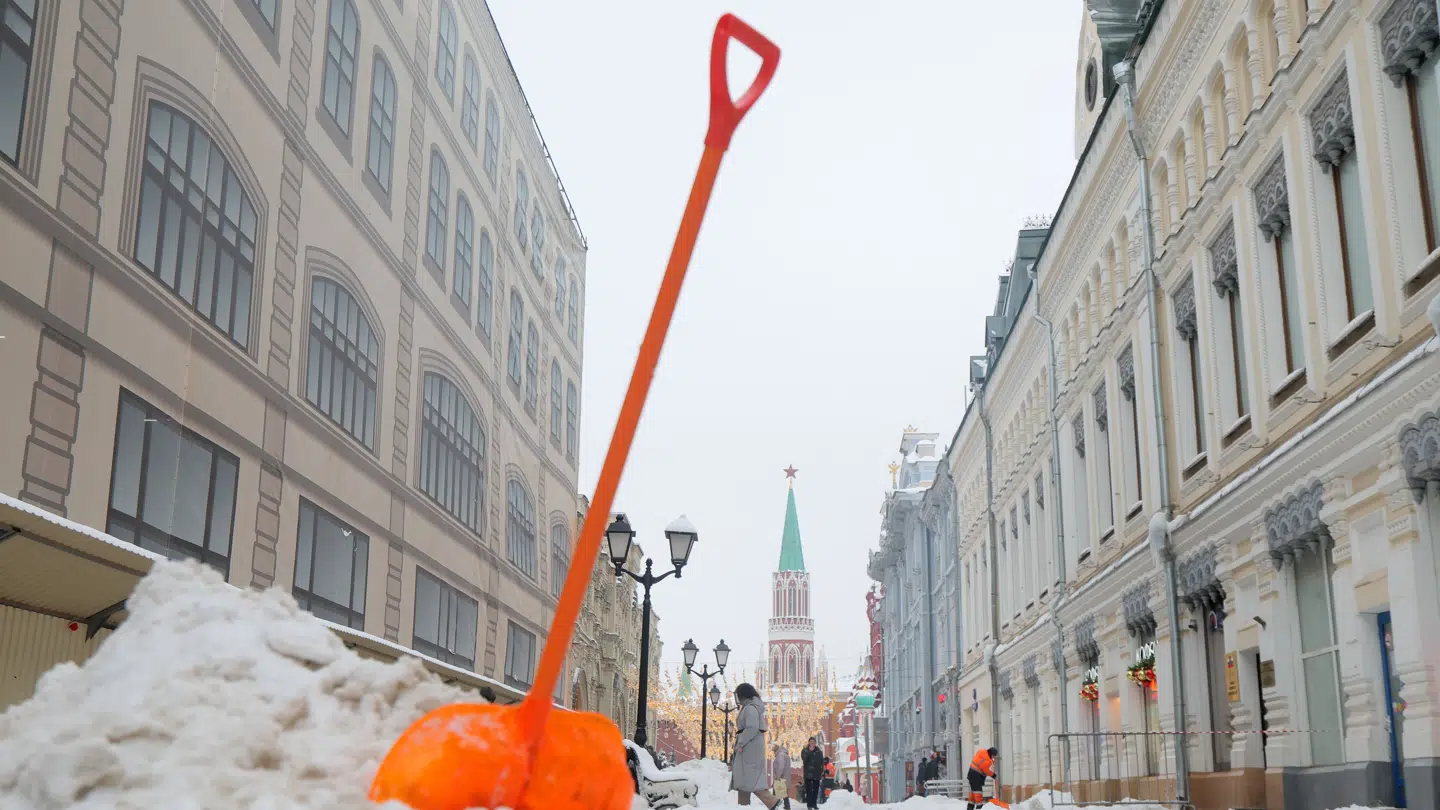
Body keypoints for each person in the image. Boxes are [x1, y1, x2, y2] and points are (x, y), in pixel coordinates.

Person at [729, 683, 782, 809]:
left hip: (749, 748)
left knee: (750, 779)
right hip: (749, 747)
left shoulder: (750, 708)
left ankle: (772, 801)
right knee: (744, 779)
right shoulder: (749, 707)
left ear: (742, 695)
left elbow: (752, 728)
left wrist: (741, 742)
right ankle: (743, 805)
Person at [801, 737, 824, 809]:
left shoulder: (819, 751)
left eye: (813, 742)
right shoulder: (805, 751)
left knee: (815, 789)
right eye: (811, 742)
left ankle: (814, 804)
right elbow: (804, 761)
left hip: (816, 773)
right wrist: (809, 752)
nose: (812, 743)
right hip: (808, 774)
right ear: (809, 743)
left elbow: (821, 762)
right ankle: (809, 805)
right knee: (808, 790)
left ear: (815, 743)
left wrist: (821, 771)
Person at [771, 744, 792, 810]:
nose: (773, 753)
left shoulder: (780, 755)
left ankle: (773, 806)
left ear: (775, 750)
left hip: (781, 778)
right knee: (783, 793)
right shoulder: (783, 754)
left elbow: (780, 767)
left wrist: (778, 777)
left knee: (775, 792)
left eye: (773, 751)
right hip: (784, 777)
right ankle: (786, 806)